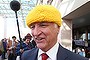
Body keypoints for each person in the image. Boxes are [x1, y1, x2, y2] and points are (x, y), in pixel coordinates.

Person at [21, 5, 88, 60]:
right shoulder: (25, 56)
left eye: (43, 25)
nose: (35, 33)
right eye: (32, 27)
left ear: (58, 28)